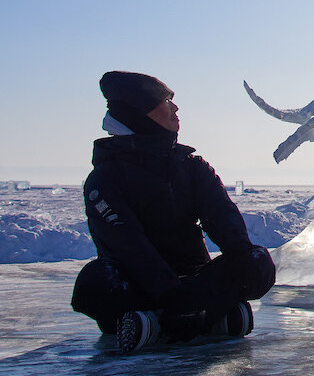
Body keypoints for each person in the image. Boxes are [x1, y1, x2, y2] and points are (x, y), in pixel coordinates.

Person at [71, 71, 276, 355]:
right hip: (141, 283)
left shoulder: (191, 166)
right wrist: (170, 293)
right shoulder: (106, 178)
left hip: (195, 281)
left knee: (257, 261)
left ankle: (156, 324)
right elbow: (127, 245)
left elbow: (224, 219)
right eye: (166, 100)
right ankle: (207, 318)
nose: (175, 108)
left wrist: (239, 262)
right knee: (95, 283)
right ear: (139, 112)